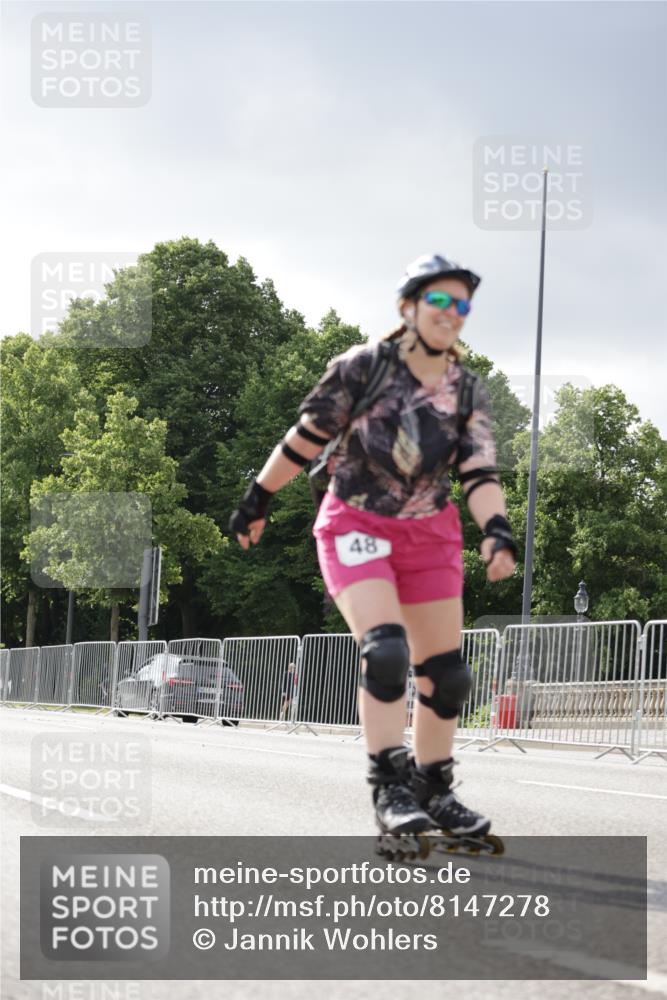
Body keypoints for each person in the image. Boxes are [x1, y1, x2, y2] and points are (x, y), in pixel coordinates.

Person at [230, 253, 517, 841]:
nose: (452, 312)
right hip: (357, 524)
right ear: (409, 306)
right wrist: (257, 498)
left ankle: (433, 788)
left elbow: (479, 473)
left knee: (448, 675)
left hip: (431, 534)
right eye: (440, 300)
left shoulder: (465, 389)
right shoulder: (363, 367)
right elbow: (306, 438)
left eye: (462, 304)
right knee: (386, 652)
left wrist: (497, 529)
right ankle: (389, 786)